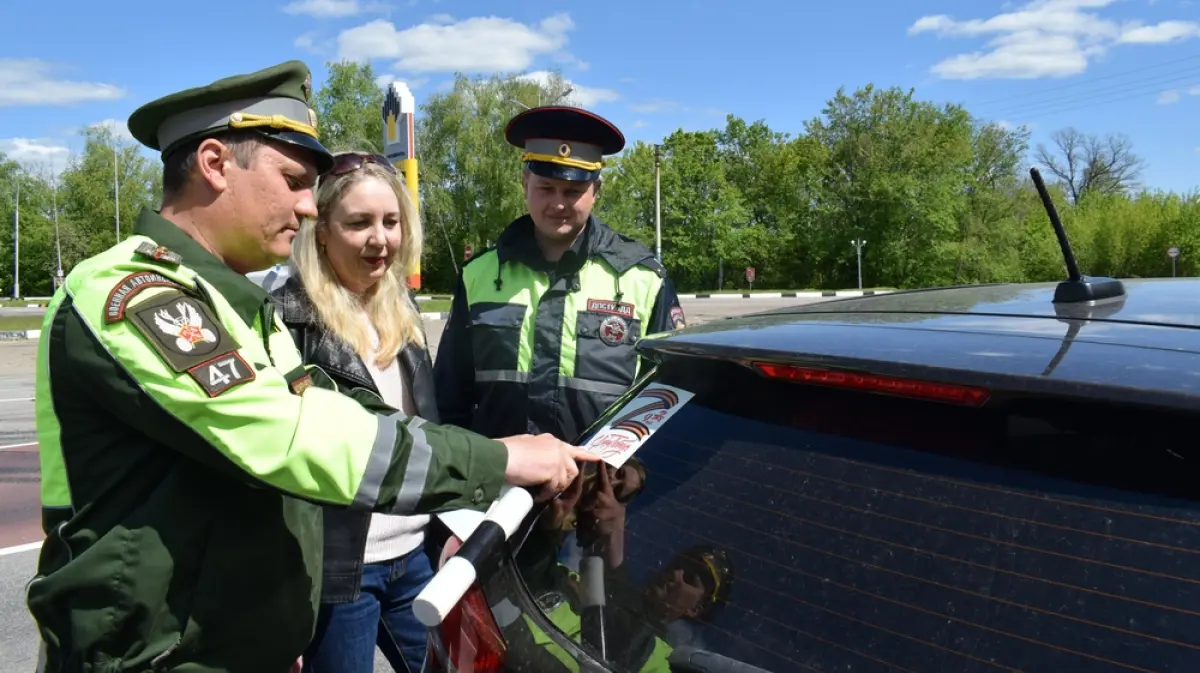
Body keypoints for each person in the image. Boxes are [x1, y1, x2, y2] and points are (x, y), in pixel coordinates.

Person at [27, 60, 593, 673]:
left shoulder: (236, 304)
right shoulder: (137, 293)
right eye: (295, 179)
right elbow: (297, 439)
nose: (305, 208)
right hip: (158, 655)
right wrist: (499, 459)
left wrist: (278, 616)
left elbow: (352, 417)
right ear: (215, 164)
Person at [268, 150, 438, 672]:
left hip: (417, 555)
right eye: (359, 223)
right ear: (321, 231)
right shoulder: (286, 317)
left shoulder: (401, 311)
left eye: (390, 222)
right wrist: (280, 606)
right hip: (340, 570)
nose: (380, 239)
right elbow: (272, 465)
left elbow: (426, 431)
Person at [433, 106, 688, 442]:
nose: (558, 203)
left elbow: (668, 398)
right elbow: (450, 399)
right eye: (546, 188)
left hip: (599, 487)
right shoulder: (477, 275)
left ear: (596, 190)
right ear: (525, 183)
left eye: (572, 191)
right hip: (497, 484)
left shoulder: (643, 278)